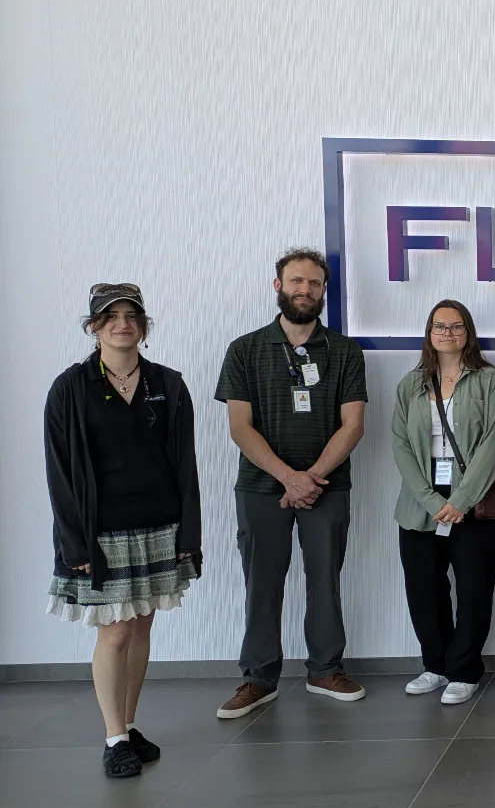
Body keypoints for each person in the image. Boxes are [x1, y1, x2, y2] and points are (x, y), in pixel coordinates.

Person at [45, 284, 202, 778]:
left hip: (160, 526)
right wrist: (75, 543)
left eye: (131, 315)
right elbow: (60, 473)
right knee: (114, 634)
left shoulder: (169, 384)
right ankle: (113, 737)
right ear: (94, 328)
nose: (122, 323)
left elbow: (185, 465)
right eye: (110, 316)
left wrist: (188, 536)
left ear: (144, 325)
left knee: (141, 627)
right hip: (102, 531)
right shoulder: (70, 388)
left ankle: (129, 725)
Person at [214, 248, 368, 718]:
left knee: (325, 580)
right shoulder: (244, 350)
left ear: (324, 292)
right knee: (262, 583)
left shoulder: (344, 351)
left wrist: (311, 479)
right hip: (262, 489)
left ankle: (325, 669)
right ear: (277, 286)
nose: (306, 290)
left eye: (315, 284)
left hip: (327, 488)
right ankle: (259, 678)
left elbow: (353, 425)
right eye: (297, 281)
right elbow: (240, 426)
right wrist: (288, 478)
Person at [392, 301, 495, 705]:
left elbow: (494, 442)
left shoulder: (489, 380)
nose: (447, 333)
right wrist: (428, 499)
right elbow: (400, 443)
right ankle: (435, 665)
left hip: (472, 504)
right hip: (419, 504)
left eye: (456, 326)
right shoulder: (411, 383)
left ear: (468, 331)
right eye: (439, 326)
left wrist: (460, 499)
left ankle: (464, 669)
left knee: (475, 590)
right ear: (429, 332)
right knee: (424, 589)